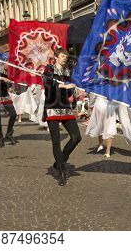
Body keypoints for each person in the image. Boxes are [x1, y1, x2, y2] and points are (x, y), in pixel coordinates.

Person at [43, 48, 82, 186]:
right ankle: (61, 171)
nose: (65, 58)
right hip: (52, 107)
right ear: (56, 57)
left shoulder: (68, 72)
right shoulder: (49, 69)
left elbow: (70, 89)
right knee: (56, 141)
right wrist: (62, 86)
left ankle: (60, 161)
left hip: (65, 107)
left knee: (76, 137)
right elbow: (46, 84)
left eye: (66, 56)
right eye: (63, 56)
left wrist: (73, 92)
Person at [0, 63, 18, 147]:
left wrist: (9, 84)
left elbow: (8, 83)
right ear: (5, 62)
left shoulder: (9, 72)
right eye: (8, 64)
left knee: (13, 114)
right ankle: (1, 138)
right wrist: (2, 78)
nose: (9, 66)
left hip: (4, 94)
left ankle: (9, 133)